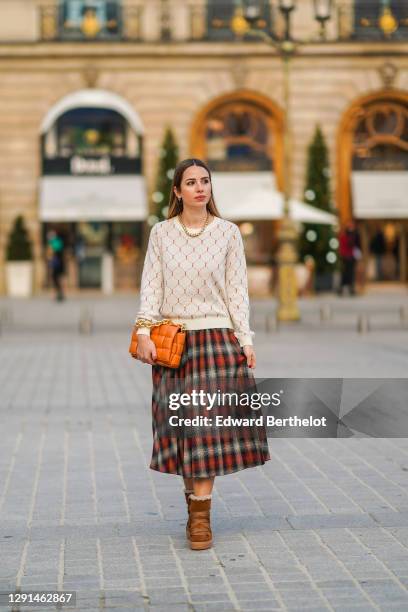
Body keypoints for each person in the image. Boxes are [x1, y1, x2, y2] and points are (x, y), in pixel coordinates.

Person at [134, 158, 270, 551]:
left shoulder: (228, 234)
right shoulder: (161, 234)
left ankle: (200, 518)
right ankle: (195, 497)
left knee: (206, 431)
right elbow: (151, 286)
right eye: (190, 182)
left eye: (205, 181)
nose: (199, 188)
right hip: (173, 343)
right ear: (177, 191)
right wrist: (143, 330)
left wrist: (245, 339)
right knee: (182, 430)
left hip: (216, 340)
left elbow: (237, 291)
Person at [337, 221, 361, 295]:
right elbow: (344, 246)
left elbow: (356, 245)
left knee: (350, 273)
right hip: (346, 256)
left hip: (350, 256)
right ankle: (343, 288)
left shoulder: (354, 235)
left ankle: (349, 288)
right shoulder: (345, 236)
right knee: (345, 273)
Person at [47, 230, 65, 302]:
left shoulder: (53, 243)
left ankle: (59, 294)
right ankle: (59, 294)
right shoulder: (57, 242)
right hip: (59, 263)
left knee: (55, 278)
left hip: (56, 263)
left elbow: (51, 254)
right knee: (58, 278)